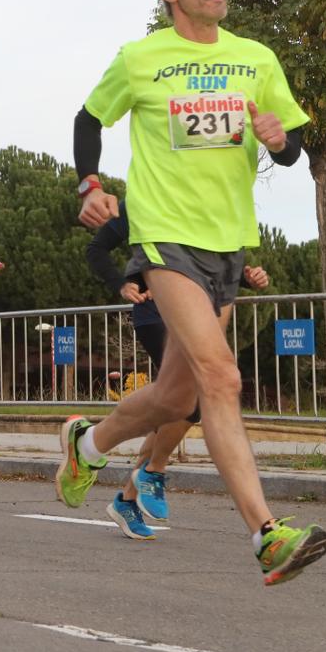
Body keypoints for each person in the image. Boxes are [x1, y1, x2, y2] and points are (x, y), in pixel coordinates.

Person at [64, 0, 326, 584]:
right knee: (221, 378)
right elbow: (88, 119)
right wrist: (89, 184)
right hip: (164, 237)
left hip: (228, 243)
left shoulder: (256, 59)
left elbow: (291, 146)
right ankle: (266, 534)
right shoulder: (141, 58)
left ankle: (88, 444)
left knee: (173, 397)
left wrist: (278, 138)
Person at [87, 199, 272, 539]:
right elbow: (96, 249)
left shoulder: (209, 201)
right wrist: (121, 284)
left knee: (177, 403)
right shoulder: (146, 199)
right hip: (153, 312)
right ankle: (150, 472)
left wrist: (246, 278)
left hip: (195, 313)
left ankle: (129, 497)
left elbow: (204, 268)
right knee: (191, 400)